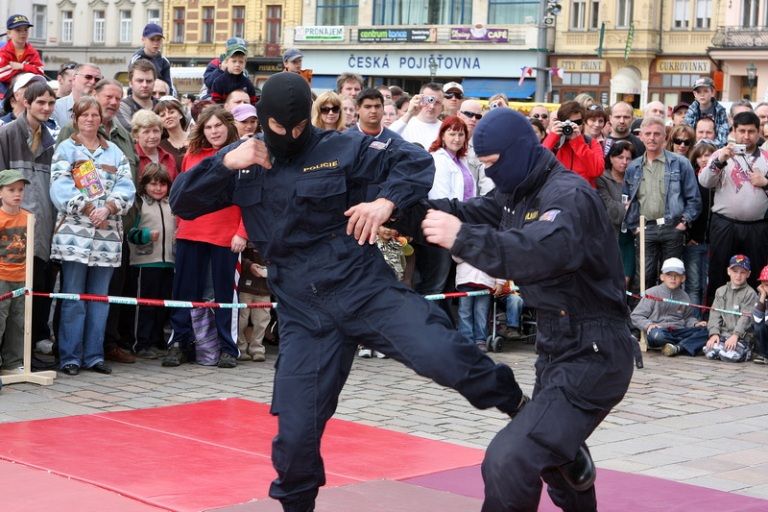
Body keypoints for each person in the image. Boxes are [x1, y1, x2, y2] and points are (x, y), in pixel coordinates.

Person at [169, 72, 528, 512]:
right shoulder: (243, 157)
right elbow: (182, 202)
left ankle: (519, 405)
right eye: (281, 128)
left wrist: (387, 201)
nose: (291, 135)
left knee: (445, 356)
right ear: (264, 120)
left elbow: (414, 162)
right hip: (304, 312)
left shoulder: (342, 146)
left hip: (364, 288)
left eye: (299, 126)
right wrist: (225, 163)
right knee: (297, 433)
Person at [417, 107, 633, 511]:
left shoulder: (568, 196)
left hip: (595, 354)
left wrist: (463, 239)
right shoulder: (515, 193)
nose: (492, 174)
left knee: (510, 459)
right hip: (557, 349)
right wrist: (396, 212)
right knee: (559, 460)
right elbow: (463, 210)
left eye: (495, 164)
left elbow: (539, 250)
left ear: (518, 152)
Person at [50, 96, 135, 376]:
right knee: (73, 297)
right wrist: (88, 208)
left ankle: (94, 355)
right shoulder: (65, 149)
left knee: (99, 299)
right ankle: (70, 357)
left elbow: (127, 187)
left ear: (101, 119)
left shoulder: (114, 153)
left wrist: (109, 208)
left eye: (94, 115)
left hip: (107, 237)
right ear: (75, 118)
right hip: (75, 237)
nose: (89, 119)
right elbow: (59, 187)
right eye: (84, 115)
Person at [162, 105, 244, 369]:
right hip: (191, 233)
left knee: (224, 294)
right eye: (208, 127)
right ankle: (179, 342)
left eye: (218, 125)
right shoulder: (192, 155)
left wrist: (243, 232)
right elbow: (182, 194)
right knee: (183, 291)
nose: (213, 131)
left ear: (228, 126)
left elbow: (251, 199)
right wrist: (179, 227)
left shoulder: (241, 154)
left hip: (226, 235)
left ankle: (228, 348)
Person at [0, 81, 57, 348]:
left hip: (43, 228)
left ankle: (30, 350)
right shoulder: (8, 134)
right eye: (41, 102)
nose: (46, 108)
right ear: (26, 103)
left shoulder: (50, 141)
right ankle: (12, 354)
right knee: (12, 298)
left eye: (51, 103)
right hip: (13, 230)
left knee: (38, 291)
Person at [623, 116, 701, 289]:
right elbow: (627, 199)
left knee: (671, 278)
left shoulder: (681, 163)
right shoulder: (633, 167)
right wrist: (634, 226)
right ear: (640, 137)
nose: (652, 138)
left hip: (672, 227)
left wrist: (684, 223)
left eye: (657, 134)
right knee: (643, 278)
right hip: (645, 228)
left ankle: (668, 316)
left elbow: (694, 198)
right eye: (648, 134)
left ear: (665, 137)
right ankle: (641, 315)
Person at [698, 111, 768, 299]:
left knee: (756, 272)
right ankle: (711, 316)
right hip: (725, 224)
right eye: (742, 131)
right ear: (734, 131)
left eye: (751, 131)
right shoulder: (720, 154)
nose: (746, 136)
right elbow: (705, 181)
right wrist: (721, 161)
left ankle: (755, 318)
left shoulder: (766, 157)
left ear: (759, 132)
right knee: (719, 270)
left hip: (757, 227)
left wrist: (766, 182)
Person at [126, 163, 175, 359]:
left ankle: (157, 339)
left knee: (163, 304)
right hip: (145, 263)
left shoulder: (171, 204)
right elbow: (130, 233)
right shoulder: (140, 205)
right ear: (144, 185)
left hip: (168, 262)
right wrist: (145, 235)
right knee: (145, 305)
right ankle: (141, 342)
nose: (158, 188)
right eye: (153, 184)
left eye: (162, 184)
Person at [630, 257, 708, 357]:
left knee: (706, 330)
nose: (673, 278)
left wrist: (695, 324)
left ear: (683, 278)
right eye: (669, 275)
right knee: (658, 336)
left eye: (677, 275)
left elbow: (687, 318)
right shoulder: (652, 293)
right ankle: (686, 344)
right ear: (662, 277)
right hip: (659, 331)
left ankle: (677, 347)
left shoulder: (685, 296)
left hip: (679, 330)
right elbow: (636, 315)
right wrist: (648, 325)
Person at [0, 169, 30, 375]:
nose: (17, 193)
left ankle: (13, 362)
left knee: (19, 323)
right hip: (1, 278)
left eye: (20, 189)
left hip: (22, 278)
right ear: (1, 192)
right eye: (11, 190)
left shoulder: (29, 218)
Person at [597, 140, 636, 286]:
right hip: (607, 237)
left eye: (628, 158)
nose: (624, 162)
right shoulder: (601, 179)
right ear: (611, 158)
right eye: (620, 157)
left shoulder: (635, 180)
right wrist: (627, 208)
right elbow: (608, 207)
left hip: (629, 238)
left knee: (625, 282)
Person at [704, 255, 757, 362]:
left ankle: (744, 350)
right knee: (709, 351)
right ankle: (722, 346)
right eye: (735, 271)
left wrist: (736, 335)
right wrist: (714, 333)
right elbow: (715, 314)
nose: (738, 275)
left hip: (742, 337)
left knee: (731, 356)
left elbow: (746, 318)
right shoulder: (720, 291)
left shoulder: (750, 293)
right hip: (724, 334)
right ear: (728, 271)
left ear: (748, 274)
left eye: (742, 272)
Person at [683, 142, 717, 311]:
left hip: (715, 241)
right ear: (695, 158)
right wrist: (688, 237)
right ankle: (694, 319)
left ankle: (709, 320)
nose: (704, 159)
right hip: (694, 241)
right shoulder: (690, 180)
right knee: (694, 284)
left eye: (708, 155)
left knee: (710, 283)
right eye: (700, 155)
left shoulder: (719, 180)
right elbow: (685, 210)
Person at [542, 101, 604, 188]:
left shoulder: (591, 143)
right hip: (557, 195)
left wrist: (578, 142)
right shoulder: (555, 142)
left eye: (577, 122)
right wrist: (553, 137)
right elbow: (538, 163)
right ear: (560, 122)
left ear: (583, 123)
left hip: (583, 196)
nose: (571, 126)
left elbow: (597, 171)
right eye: (567, 122)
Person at [236, 244, 270, 362]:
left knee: (262, 320)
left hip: (265, 287)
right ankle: (241, 347)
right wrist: (249, 265)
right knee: (241, 319)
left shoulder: (272, 236)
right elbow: (237, 255)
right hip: (245, 285)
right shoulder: (246, 235)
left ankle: (257, 348)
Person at [0, 14, 44, 101]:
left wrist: (21, 66)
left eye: (26, 30)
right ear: (9, 33)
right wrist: (29, 69)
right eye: (18, 30)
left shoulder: (33, 52)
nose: (23, 33)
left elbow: (40, 72)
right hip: (4, 95)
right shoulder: (3, 51)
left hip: (27, 96)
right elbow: (2, 74)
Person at [389, 82, 443, 148]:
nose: (432, 106)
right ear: (419, 99)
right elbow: (387, 138)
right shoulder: (405, 123)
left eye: (437, 102)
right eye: (429, 100)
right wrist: (409, 113)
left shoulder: (445, 128)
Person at [131, 109, 177, 182]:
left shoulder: (168, 157)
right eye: (146, 132)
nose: (152, 136)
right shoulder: (131, 157)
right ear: (136, 135)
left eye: (156, 131)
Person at [130, 23, 175, 97]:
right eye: (152, 39)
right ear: (143, 40)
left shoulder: (164, 61)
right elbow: (132, 86)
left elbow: (170, 88)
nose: (156, 43)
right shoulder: (136, 59)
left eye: (158, 40)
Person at [208, 39, 257, 105]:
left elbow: (253, 104)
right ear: (226, 62)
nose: (237, 65)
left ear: (245, 64)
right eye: (234, 61)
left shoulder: (248, 84)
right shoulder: (218, 82)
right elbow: (216, 106)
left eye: (241, 62)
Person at [53, 63, 102, 128]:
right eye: (88, 77)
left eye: (97, 79)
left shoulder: (102, 108)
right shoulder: (55, 108)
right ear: (74, 79)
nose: (93, 82)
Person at [683, 77, 729, 148]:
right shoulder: (691, 111)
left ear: (712, 92)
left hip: (715, 149)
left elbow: (723, 137)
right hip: (694, 149)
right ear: (695, 94)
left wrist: (709, 146)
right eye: (699, 92)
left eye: (705, 91)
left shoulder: (720, 111)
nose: (702, 94)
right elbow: (687, 134)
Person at [116, 59, 157, 132]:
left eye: (149, 81)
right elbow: (130, 131)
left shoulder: (162, 107)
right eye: (140, 81)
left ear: (154, 83)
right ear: (130, 83)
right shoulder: (121, 106)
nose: (145, 85)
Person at [155, 96, 190, 173]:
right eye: (162, 115)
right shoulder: (160, 146)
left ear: (180, 115)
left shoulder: (195, 138)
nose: (167, 117)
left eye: (171, 112)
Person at [752, 265, 768, 364]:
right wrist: (762, 296)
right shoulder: (762, 296)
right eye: (765, 285)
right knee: (758, 325)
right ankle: (764, 354)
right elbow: (757, 319)